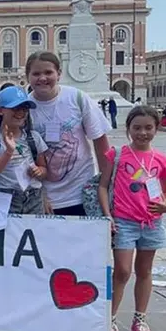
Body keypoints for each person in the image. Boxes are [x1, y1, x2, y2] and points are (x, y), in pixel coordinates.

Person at [98, 106, 166, 331]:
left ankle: (140, 319)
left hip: (151, 222)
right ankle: (109, 320)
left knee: (145, 270)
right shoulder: (118, 154)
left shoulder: (161, 159)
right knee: (121, 270)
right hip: (123, 221)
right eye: (137, 128)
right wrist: (107, 215)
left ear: (157, 129)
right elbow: (102, 186)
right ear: (128, 129)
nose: (142, 133)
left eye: (148, 128)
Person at [26, 51, 111, 216]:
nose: (42, 78)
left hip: (81, 191)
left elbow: (100, 142)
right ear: (28, 76)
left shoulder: (77, 98)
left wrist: (105, 184)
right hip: (45, 197)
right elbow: (24, 156)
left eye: (48, 72)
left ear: (58, 73)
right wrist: (39, 194)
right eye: (36, 73)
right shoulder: (24, 107)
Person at [0, 88, 49, 214]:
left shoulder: (34, 137)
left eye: (24, 109)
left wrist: (39, 171)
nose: (21, 112)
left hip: (33, 198)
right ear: (1, 111)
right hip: (4, 198)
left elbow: (44, 168)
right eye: (15, 108)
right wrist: (8, 152)